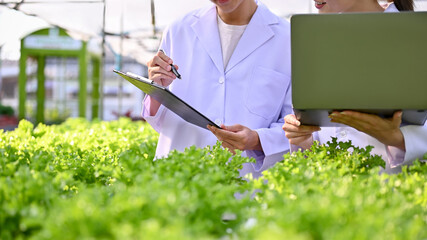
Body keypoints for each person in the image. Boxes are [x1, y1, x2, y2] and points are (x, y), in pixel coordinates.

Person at [144, 0, 293, 178]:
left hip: (245, 184)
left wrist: (258, 140)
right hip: (179, 181)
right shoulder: (178, 30)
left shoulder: (288, 39)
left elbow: (300, 127)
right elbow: (159, 119)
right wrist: (156, 87)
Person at [283, 0, 427, 173]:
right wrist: (305, 139)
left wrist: (399, 139)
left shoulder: (415, 34)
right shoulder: (315, 36)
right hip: (331, 190)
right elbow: (332, 131)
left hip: (393, 189)